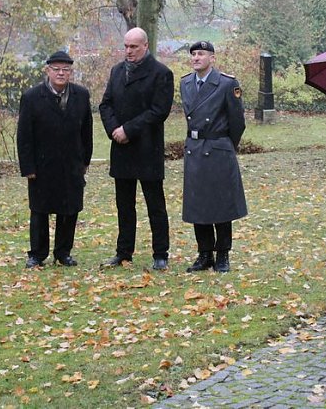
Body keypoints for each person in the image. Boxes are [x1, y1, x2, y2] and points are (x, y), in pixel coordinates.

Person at [98, 27, 174, 271]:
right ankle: (123, 252)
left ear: (145, 46)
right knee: (124, 205)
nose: (128, 51)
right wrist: (114, 130)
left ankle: (160, 253)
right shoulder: (117, 71)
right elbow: (105, 104)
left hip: (146, 148)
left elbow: (159, 111)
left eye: (133, 47)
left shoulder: (161, 73)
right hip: (121, 149)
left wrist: (128, 130)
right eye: (126, 46)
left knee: (155, 205)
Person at [17, 50, 93, 269]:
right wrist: (28, 166)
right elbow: (24, 135)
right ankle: (37, 254)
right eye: (56, 69)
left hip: (71, 162)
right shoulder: (32, 97)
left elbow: (86, 130)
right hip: (42, 164)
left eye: (66, 69)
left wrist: (85, 160)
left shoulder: (81, 95)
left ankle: (63, 252)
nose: (61, 73)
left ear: (71, 72)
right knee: (40, 209)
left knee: (69, 209)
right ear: (47, 71)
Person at [179, 41, 247, 273]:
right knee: (198, 204)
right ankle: (204, 253)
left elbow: (238, 122)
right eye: (194, 54)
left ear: (212, 58)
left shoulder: (227, 84)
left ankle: (222, 254)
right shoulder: (185, 83)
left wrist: (225, 145)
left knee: (221, 205)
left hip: (217, 148)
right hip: (195, 148)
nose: (196, 58)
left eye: (201, 54)